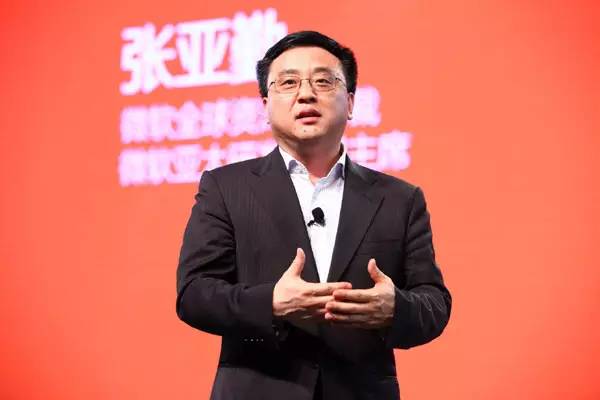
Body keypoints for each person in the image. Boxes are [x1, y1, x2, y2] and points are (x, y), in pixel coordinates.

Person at [176, 30, 451, 400]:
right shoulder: (226, 188)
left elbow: (434, 303)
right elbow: (194, 294)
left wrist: (394, 309)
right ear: (265, 105)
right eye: (288, 82)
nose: (305, 93)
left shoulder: (399, 199)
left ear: (350, 102)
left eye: (323, 81)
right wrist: (272, 302)